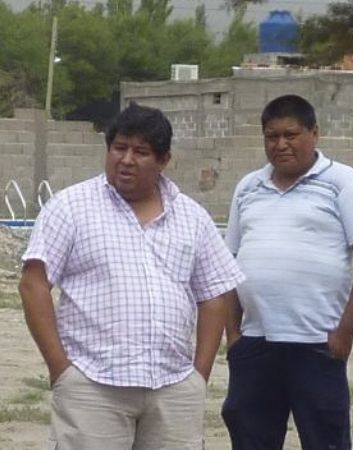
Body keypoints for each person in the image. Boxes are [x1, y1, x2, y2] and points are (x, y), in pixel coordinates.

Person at [18, 103, 245, 449]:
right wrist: (60, 369)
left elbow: (213, 294)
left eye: (140, 152)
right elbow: (34, 284)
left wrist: (198, 375)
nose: (126, 159)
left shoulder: (192, 217)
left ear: (164, 159)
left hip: (173, 387)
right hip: (92, 385)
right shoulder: (70, 207)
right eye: (119, 148)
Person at [221, 94, 353, 450]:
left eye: (291, 134)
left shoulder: (343, 182)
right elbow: (229, 264)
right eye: (271, 136)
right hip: (256, 344)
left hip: (317, 345)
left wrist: (345, 332)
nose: (281, 144)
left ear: (314, 133)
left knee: (325, 441)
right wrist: (234, 336)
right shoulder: (248, 188)